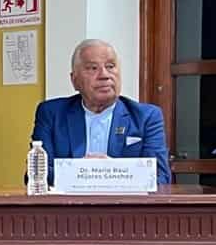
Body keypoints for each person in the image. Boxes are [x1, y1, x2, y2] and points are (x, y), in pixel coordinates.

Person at [31, 38, 171, 186]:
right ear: (75, 80)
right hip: (69, 206)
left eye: (110, 66)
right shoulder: (52, 114)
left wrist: (108, 171)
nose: (104, 75)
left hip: (123, 207)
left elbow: (160, 178)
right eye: (92, 68)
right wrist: (83, 171)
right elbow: (36, 175)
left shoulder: (146, 117)